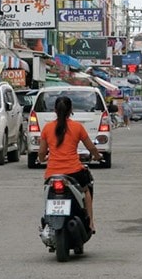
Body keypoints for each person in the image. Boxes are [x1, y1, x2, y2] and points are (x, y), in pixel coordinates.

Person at [38, 96, 102, 232]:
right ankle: (90, 223)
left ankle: (48, 219)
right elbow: (91, 147)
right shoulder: (77, 127)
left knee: (48, 195)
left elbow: (41, 153)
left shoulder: (47, 128)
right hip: (74, 172)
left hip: (52, 174)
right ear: (71, 110)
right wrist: (97, 156)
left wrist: (43, 158)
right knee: (86, 191)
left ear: (55, 110)